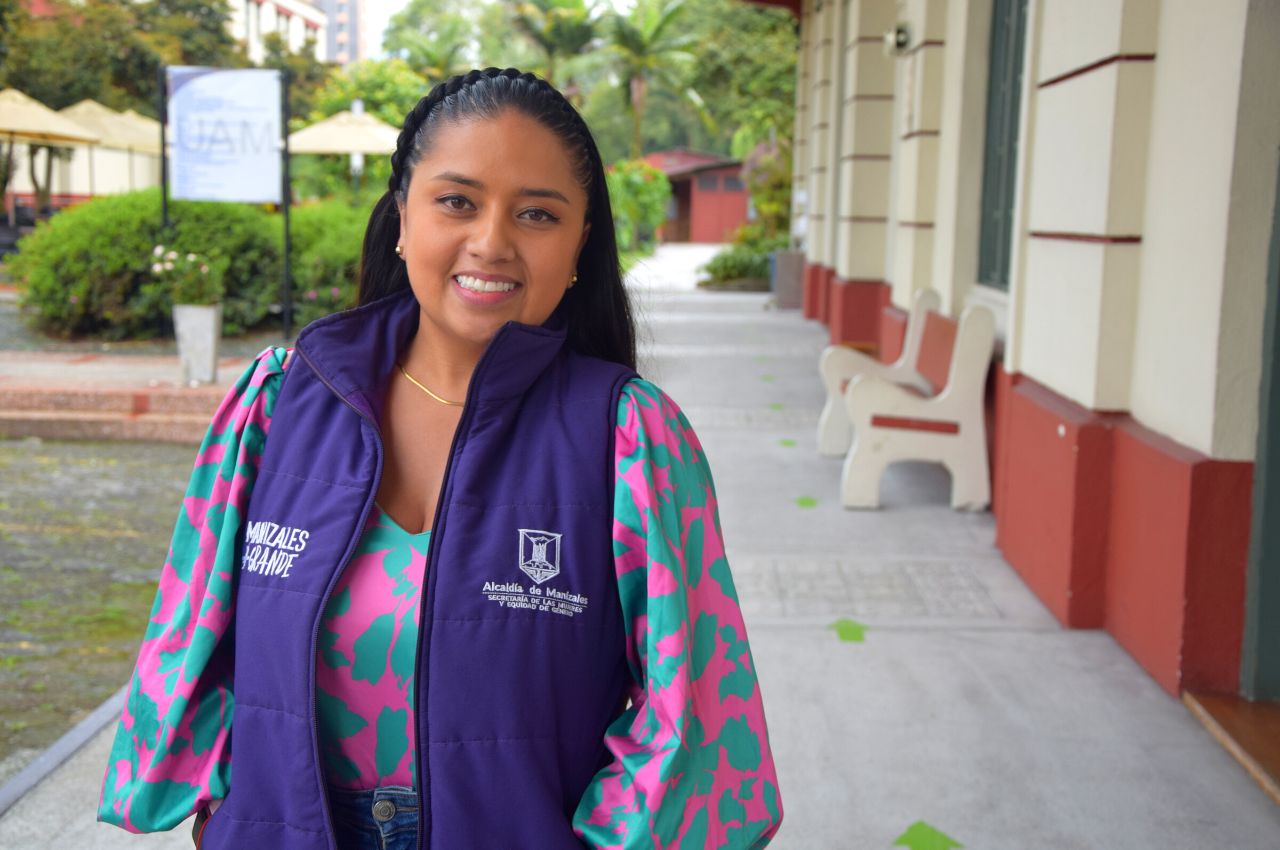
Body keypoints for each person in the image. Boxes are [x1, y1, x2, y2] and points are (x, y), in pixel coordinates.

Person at [98, 67, 782, 849]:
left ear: (580, 242)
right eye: (457, 201)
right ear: (400, 217)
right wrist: (225, 800)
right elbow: (188, 637)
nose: (491, 242)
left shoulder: (630, 438)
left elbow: (694, 710)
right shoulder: (278, 406)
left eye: (537, 214)